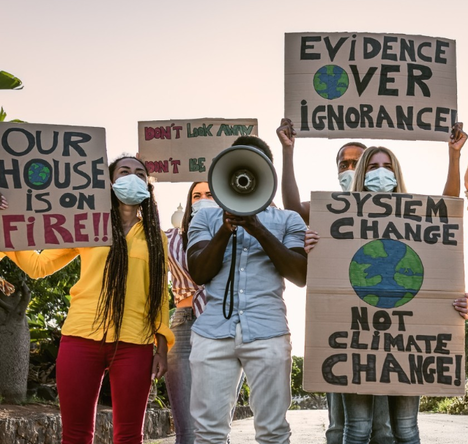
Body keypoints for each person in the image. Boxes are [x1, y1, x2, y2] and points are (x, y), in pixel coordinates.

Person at [0, 156, 174, 444]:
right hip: (81, 336)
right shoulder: (87, 224)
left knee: (130, 436)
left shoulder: (156, 237)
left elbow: (159, 296)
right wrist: (6, 223)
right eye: (124, 171)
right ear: (107, 181)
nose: (132, 177)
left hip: (135, 342)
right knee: (76, 435)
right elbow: (39, 267)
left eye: (140, 174)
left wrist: (163, 347)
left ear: (148, 185)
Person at [338, 126, 468, 443]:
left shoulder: (416, 216)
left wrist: (452, 302)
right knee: (355, 429)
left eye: (387, 167)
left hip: (407, 344)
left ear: (397, 174)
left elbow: (447, 211)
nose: (381, 173)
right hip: (358, 341)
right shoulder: (337, 220)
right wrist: (314, 242)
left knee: (407, 430)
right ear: (361, 174)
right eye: (372, 167)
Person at [277, 117, 395, 444]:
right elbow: (290, 206)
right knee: (340, 426)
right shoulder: (328, 209)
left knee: (382, 428)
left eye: (358, 162)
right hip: (341, 331)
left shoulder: (400, 210)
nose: (350, 168)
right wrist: (289, 151)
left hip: (387, 331)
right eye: (343, 163)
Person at [186, 135, 308, 444]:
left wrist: (256, 227)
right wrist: (227, 228)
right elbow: (199, 271)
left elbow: (299, 274)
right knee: (208, 433)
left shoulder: (288, 219)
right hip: (213, 333)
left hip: (268, 332)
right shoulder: (205, 216)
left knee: (273, 432)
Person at [164, 181, 215, 444]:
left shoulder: (235, 234)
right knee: (186, 429)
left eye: (209, 194)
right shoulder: (170, 238)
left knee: (216, 426)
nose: (202, 199)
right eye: (196, 195)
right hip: (183, 324)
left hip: (220, 324)